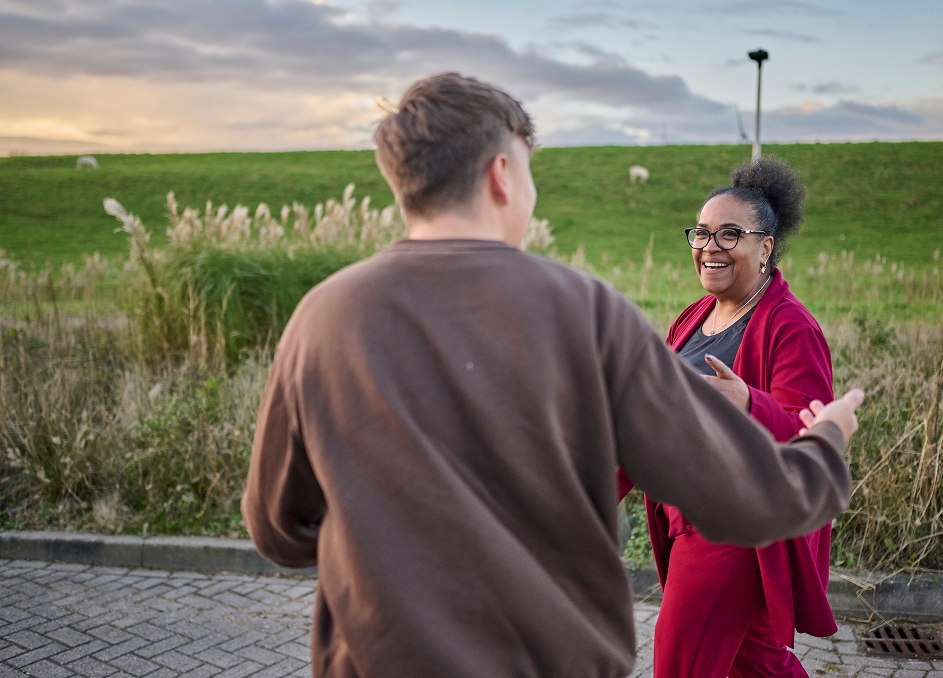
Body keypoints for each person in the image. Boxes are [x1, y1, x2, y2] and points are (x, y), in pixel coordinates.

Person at [242, 73, 863, 678]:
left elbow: (277, 528)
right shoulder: (587, 313)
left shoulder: (322, 317)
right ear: (502, 176)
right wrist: (826, 442)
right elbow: (748, 498)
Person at [618, 157, 838, 677]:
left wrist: (750, 405)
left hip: (731, 528)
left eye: (730, 234)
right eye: (701, 233)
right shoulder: (695, 316)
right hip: (684, 513)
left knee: (679, 664)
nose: (709, 246)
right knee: (756, 663)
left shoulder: (792, 329)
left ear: (766, 246)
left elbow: (814, 439)